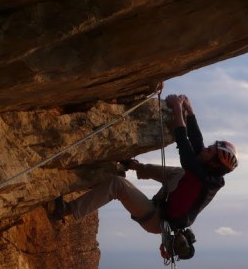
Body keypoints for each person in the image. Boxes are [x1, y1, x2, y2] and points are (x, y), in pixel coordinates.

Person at [50, 94, 237, 234]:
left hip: (157, 219)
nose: (206, 149)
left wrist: (179, 110)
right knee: (179, 173)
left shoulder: (202, 178)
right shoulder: (206, 169)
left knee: (117, 185)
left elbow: (185, 146)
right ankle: (133, 166)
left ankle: (65, 211)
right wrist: (190, 110)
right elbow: (197, 143)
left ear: (213, 164)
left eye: (211, 150)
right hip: (166, 202)